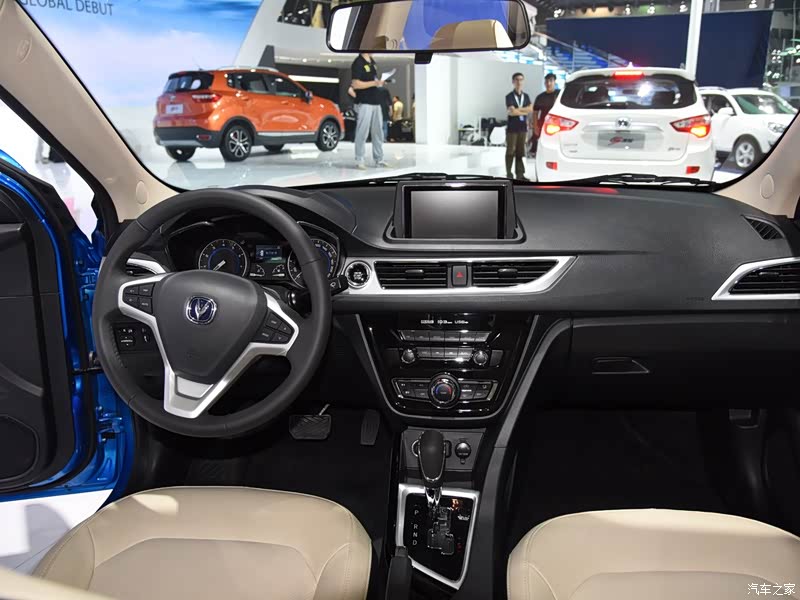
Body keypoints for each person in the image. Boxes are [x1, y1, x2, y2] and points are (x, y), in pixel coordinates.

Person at [351, 52, 388, 169]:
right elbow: (355, 84)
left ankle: (379, 159)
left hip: (376, 102)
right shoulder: (358, 62)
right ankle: (359, 159)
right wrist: (374, 83)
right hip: (364, 102)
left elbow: (373, 80)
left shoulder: (372, 62)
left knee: (378, 132)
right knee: (362, 132)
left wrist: (379, 83)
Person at [505, 72, 532, 181]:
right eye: (517, 80)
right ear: (513, 81)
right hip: (512, 128)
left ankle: (520, 174)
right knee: (510, 151)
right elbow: (511, 111)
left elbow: (530, 109)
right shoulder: (509, 96)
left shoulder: (526, 96)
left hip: (522, 128)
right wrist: (523, 111)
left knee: (520, 151)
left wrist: (517, 110)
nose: (519, 82)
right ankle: (509, 173)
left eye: (521, 80)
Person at [531, 72, 558, 157]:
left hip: (557, 123)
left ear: (554, 82)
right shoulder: (540, 97)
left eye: (551, 81)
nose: (548, 83)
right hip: (543, 123)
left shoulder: (559, 95)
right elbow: (535, 112)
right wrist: (535, 126)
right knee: (542, 143)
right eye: (547, 81)